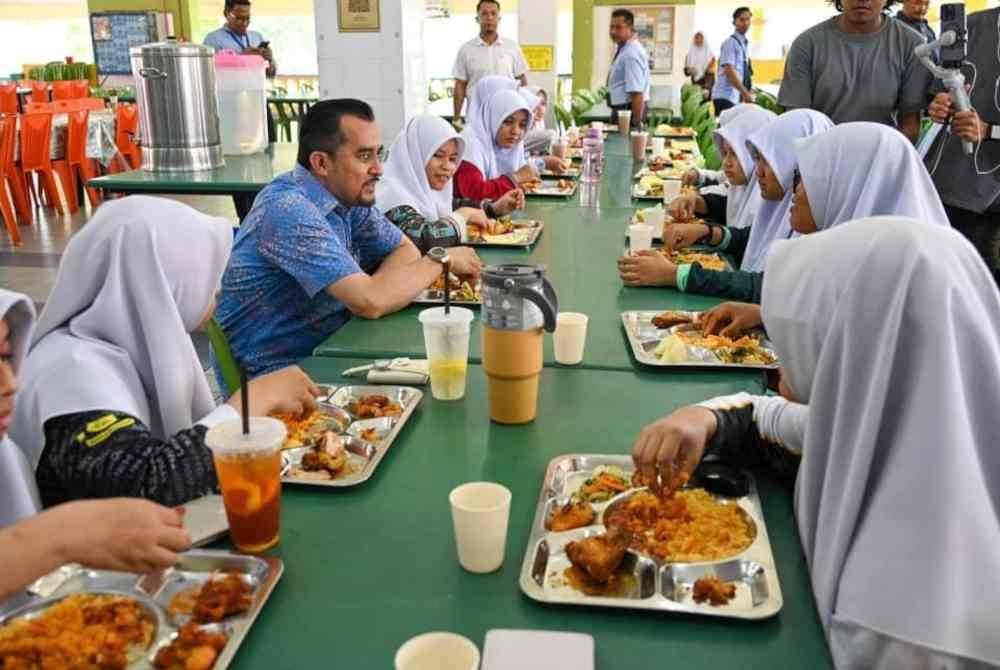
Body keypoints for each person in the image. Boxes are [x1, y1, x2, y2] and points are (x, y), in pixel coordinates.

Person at [632, 219, 1000, 670]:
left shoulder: (913, 636)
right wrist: (703, 418)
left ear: (856, 340)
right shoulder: (901, 425)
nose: (776, 349)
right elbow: (768, 418)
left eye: (795, 335)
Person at [7, 197, 321, 509]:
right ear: (158, 280)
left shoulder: (143, 342)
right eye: (207, 272)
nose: (218, 288)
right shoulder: (69, 373)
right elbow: (145, 487)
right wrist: (250, 403)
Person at [215, 99, 483, 379]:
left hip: (332, 349)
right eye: (365, 156)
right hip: (272, 377)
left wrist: (376, 291)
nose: (379, 169)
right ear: (321, 163)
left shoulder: (348, 198)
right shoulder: (289, 209)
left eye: (379, 154)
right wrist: (441, 259)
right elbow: (371, 301)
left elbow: (404, 250)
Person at [0, 288, 193, 604]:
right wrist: (58, 536)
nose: (10, 384)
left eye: (7, 357)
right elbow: (148, 481)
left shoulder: (5, 453)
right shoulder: (74, 367)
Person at [698, 122, 950, 336]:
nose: (793, 190)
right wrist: (766, 317)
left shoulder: (895, 276)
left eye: (802, 178)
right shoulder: (851, 251)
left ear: (845, 187)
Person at [619, 109, 833, 301]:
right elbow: (755, 236)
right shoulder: (782, 205)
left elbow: (765, 287)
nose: (758, 170)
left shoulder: (818, 229)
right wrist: (707, 232)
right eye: (756, 159)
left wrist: (675, 275)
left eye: (767, 161)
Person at [777, 0, 932, 142]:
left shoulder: (912, 45)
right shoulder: (806, 45)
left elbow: (910, 124)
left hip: (882, 156)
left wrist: (889, 162)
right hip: (820, 157)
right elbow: (797, 121)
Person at [924, 6, 1000, 284]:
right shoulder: (969, 27)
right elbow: (940, 91)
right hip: (957, 182)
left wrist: (989, 130)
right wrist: (940, 106)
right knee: (950, 278)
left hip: (989, 191)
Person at [377, 114, 523, 251]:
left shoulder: (423, 188)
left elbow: (453, 205)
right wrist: (462, 215)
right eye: (438, 155)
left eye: (453, 159)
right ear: (415, 155)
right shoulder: (392, 195)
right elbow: (423, 239)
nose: (447, 166)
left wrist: (494, 208)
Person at [203, 0, 278, 221]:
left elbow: (271, 74)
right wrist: (243, 56)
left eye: (248, 18)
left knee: (265, 157)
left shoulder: (256, 36)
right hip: (232, 109)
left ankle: (266, 211)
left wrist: (269, 59)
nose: (244, 23)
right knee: (238, 165)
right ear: (227, 14)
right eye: (239, 17)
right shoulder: (213, 40)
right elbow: (209, 73)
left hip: (257, 104)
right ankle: (246, 217)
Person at [452, 0, 528, 125]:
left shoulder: (512, 47)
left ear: (499, 18)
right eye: (484, 14)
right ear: (477, 18)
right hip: (476, 115)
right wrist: (456, 118)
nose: (489, 18)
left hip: (507, 114)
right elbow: (460, 85)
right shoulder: (466, 49)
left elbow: (522, 80)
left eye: (493, 14)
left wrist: (525, 111)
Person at [454, 89, 536, 200]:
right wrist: (515, 178)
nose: (515, 131)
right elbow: (472, 193)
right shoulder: (471, 142)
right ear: (493, 118)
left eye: (522, 125)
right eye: (507, 121)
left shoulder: (512, 145)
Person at [607, 9, 651, 131]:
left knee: (624, 147)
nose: (613, 31)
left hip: (628, 111)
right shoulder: (625, 49)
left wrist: (636, 125)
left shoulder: (631, 54)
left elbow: (636, 93)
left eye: (618, 27)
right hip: (623, 109)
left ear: (630, 28)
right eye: (611, 27)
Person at [711, 8, 754, 117]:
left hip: (734, 97)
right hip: (725, 97)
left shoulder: (743, 44)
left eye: (748, 20)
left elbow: (743, 72)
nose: (746, 23)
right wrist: (745, 93)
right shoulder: (730, 43)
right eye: (742, 20)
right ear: (734, 22)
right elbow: (729, 71)